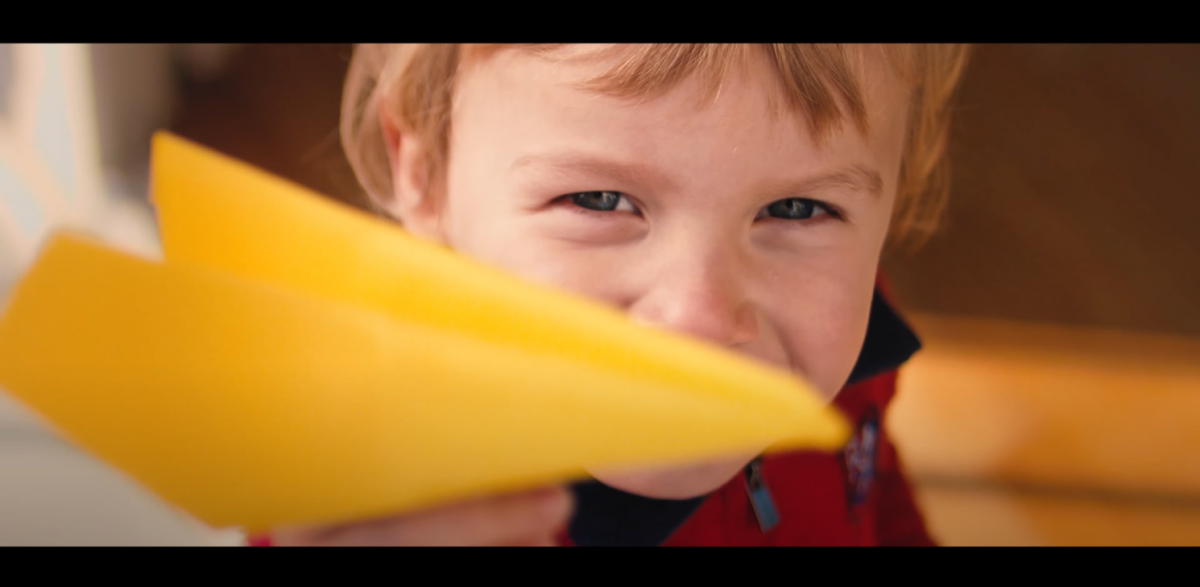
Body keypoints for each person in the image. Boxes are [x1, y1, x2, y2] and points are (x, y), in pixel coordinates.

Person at [258, 43, 970, 546]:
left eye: (795, 210)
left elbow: (869, 490)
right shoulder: (380, 480)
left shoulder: (851, 340)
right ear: (423, 168)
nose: (701, 318)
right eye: (599, 199)